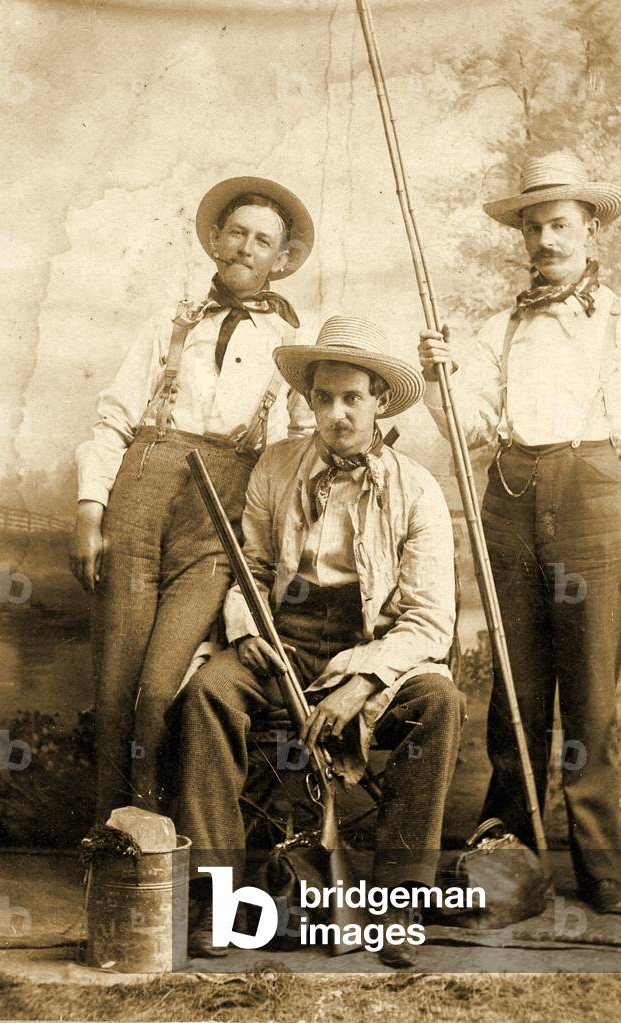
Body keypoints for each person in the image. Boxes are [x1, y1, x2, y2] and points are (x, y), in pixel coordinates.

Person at [418, 151, 621, 915]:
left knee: (590, 695)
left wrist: (603, 481)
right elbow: (469, 431)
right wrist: (438, 376)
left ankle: (600, 867)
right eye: (532, 229)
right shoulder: (497, 329)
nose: (545, 242)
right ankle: (510, 857)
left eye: (559, 224)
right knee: (515, 694)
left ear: (590, 230)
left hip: (591, 493)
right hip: (508, 495)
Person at [177, 315, 462, 967]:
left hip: (376, 651)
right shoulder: (275, 468)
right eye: (323, 397)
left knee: (439, 700)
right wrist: (248, 628)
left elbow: (428, 622)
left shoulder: (417, 489)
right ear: (309, 399)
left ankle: (396, 903)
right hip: (282, 642)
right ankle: (215, 898)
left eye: (352, 397)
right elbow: (250, 566)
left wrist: (362, 682)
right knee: (206, 694)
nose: (335, 412)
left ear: (380, 400)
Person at [69, 177, 315, 821]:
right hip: (141, 493)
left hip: (219, 521)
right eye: (236, 232)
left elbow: (297, 449)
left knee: (158, 690)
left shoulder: (293, 345)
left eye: (263, 240)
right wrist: (89, 510)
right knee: (116, 686)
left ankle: (148, 835)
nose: (245, 248)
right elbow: (114, 418)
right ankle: (108, 843)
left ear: (281, 260)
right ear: (214, 240)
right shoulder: (170, 322)